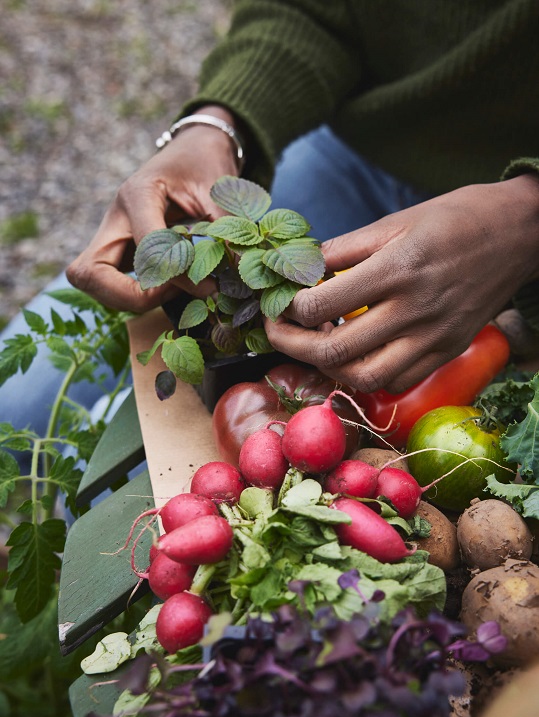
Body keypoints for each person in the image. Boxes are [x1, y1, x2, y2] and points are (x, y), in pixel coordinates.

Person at [3, 0, 539, 428]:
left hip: (514, 216)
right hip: (361, 151)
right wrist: (216, 126)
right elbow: (311, 10)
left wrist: (528, 220)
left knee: (114, 502)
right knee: (15, 406)